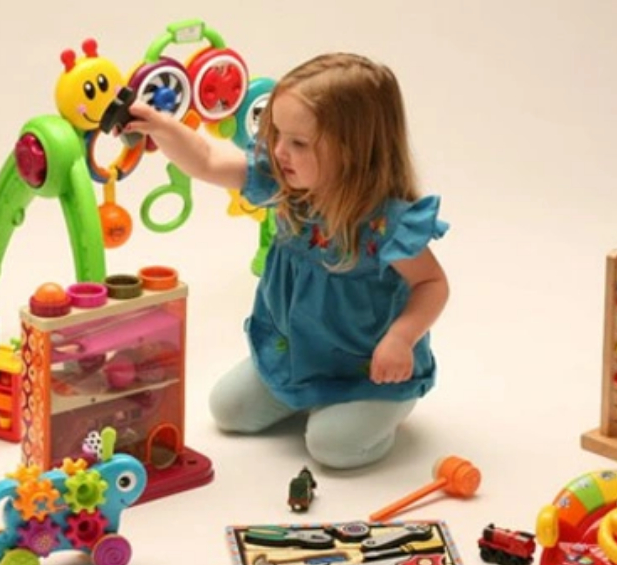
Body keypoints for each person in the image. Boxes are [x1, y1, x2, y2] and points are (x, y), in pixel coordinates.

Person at [122, 53, 450, 470]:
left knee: (332, 448)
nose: (279, 151)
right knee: (228, 410)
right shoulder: (287, 185)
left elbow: (432, 285)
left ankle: (381, 409)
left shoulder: (385, 222)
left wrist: (401, 338)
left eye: (299, 143)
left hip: (370, 369)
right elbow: (206, 159)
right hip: (298, 353)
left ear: (353, 152)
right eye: (276, 134)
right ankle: (314, 397)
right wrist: (164, 129)